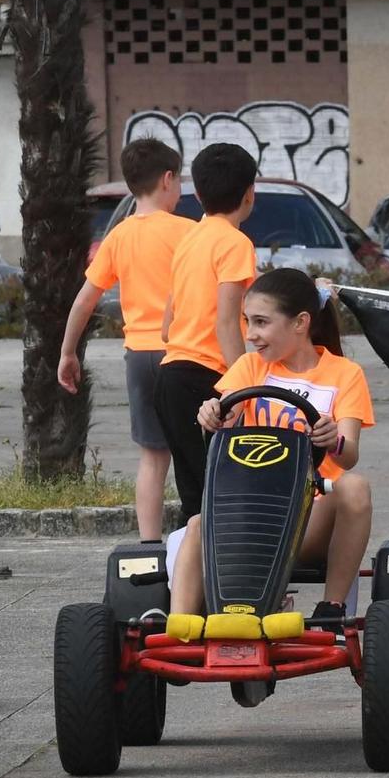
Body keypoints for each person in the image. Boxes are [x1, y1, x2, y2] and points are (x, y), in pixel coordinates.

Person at [169, 268, 373, 630]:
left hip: (307, 515)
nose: (251, 335)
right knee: (198, 523)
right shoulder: (250, 367)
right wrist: (212, 414)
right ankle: (181, 626)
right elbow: (227, 412)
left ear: (300, 323)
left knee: (355, 485)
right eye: (247, 322)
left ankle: (333, 606)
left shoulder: (345, 374)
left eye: (261, 323)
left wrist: (332, 440)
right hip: (251, 511)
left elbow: (349, 452)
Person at [56, 137, 192, 541]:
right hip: (184, 354)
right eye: (180, 180)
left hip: (139, 356)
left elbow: (85, 301)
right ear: (168, 180)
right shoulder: (190, 233)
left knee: (152, 458)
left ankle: (148, 546)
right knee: (196, 452)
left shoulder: (118, 237)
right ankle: (199, 539)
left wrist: (68, 352)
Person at [156, 143, 258, 524]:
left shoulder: (189, 241)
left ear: (197, 194)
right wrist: (242, 385)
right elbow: (227, 322)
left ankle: (187, 579)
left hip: (169, 377)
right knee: (223, 493)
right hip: (208, 381)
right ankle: (221, 578)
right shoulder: (236, 244)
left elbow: (167, 327)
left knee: (194, 496)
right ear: (250, 193)